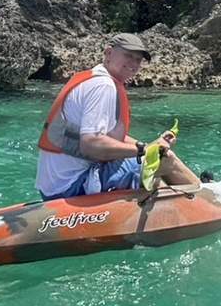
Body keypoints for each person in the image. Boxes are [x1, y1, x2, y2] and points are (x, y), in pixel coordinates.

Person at [36, 33, 200, 200]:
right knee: (164, 160)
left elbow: (108, 137)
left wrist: (151, 146)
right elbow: (91, 144)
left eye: (138, 59)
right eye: (128, 56)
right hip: (72, 186)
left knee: (154, 163)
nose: (134, 63)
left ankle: (188, 199)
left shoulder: (93, 78)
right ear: (108, 53)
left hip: (54, 187)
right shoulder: (103, 85)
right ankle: (207, 198)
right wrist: (144, 150)